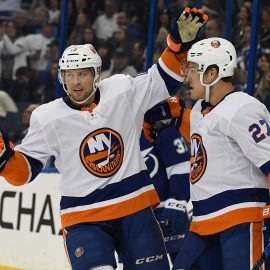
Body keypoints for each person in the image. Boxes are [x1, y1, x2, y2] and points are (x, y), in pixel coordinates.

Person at [0, 7, 208, 270]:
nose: (76, 82)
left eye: (83, 74)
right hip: (84, 217)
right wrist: (4, 157)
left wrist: (178, 47)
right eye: (70, 75)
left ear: (96, 75)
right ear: (62, 77)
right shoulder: (47, 117)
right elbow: (23, 173)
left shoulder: (121, 90)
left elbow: (163, 80)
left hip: (135, 207)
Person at [143, 37, 270, 270]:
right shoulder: (204, 107)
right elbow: (197, 124)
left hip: (240, 221)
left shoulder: (243, 108)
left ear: (212, 73)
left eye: (193, 69)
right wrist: (166, 115)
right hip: (203, 225)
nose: (187, 77)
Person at [140, 121, 191, 264]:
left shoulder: (157, 127)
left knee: (185, 263)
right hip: (138, 218)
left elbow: (181, 166)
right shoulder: (118, 130)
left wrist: (176, 203)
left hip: (168, 213)